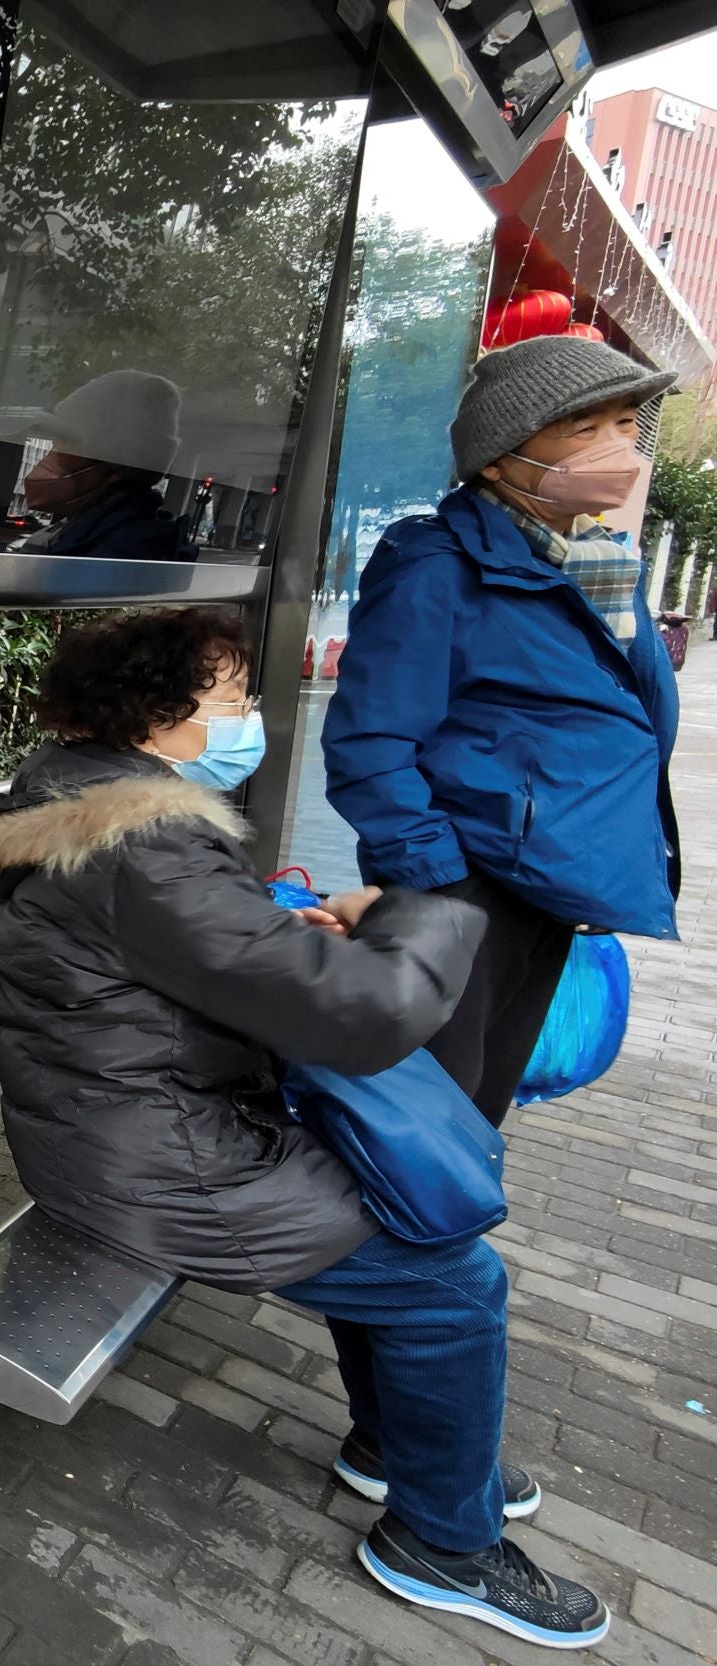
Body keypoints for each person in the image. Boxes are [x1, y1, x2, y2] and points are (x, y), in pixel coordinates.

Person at [0, 607, 610, 1650]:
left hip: (129, 1130)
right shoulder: (146, 844)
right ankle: (444, 1542)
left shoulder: (74, 795)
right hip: (166, 1165)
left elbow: (172, 951)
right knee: (453, 1280)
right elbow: (359, 1014)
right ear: (154, 715)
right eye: (230, 698)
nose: (247, 716)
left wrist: (268, 930)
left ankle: (401, 1446)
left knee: (385, 1219)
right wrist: (413, 911)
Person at [324, 335, 681, 1125]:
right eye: (583, 428)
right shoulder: (437, 567)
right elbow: (369, 743)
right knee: (427, 1114)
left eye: (626, 424)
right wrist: (438, 880)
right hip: (471, 882)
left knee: (479, 1104)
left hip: (547, 885)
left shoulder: (598, 564)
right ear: (497, 459)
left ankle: (449, 1210)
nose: (617, 448)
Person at [14, 370, 199, 562]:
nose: (53, 452)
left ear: (115, 462)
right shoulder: (94, 533)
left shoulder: (121, 553)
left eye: (65, 442)